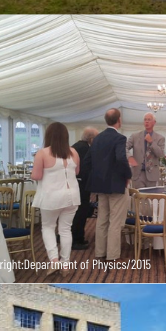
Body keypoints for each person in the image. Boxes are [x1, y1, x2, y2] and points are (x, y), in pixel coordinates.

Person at [31, 122, 82, 273]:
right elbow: (77, 172)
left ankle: (54, 260)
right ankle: (65, 263)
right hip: (72, 196)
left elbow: (37, 175)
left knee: (48, 227)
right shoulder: (74, 152)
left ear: (49, 136)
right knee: (66, 229)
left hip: (51, 196)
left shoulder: (43, 153)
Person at [87, 108, 132, 262]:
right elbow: (120, 158)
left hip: (100, 184)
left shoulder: (97, 138)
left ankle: (100, 252)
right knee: (115, 221)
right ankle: (112, 255)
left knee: (102, 219)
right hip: (116, 184)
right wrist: (127, 175)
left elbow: (88, 160)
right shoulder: (119, 138)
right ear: (119, 120)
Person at [70, 126, 98, 250]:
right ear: (91, 139)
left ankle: (73, 236)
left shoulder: (74, 146)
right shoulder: (86, 149)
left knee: (74, 212)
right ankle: (77, 239)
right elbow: (86, 168)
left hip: (73, 183)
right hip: (81, 185)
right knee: (80, 213)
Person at [126, 113, 165, 189]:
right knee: (138, 199)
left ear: (154, 122)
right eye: (145, 120)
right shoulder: (135, 136)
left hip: (152, 174)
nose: (146, 122)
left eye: (149, 120)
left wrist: (151, 142)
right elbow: (124, 147)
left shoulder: (160, 138)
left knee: (151, 199)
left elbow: (161, 154)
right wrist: (129, 157)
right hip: (138, 174)